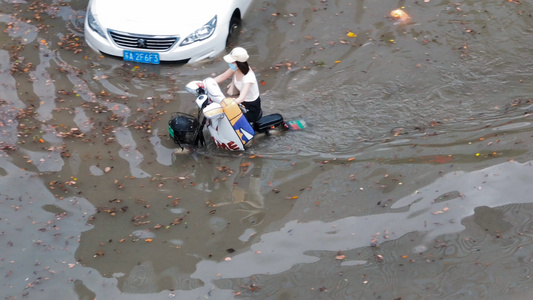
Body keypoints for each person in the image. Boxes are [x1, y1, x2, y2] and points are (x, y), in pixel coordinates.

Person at [214, 47, 263, 123]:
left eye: (232, 62)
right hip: (242, 103)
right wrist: (206, 83)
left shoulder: (248, 78)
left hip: (251, 107)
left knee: (228, 120)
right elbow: (222, 76)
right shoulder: (236, 69)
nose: (230, 64)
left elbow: (241, 98)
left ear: (239, 63)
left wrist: (224, 106)